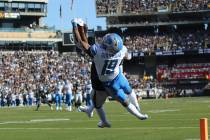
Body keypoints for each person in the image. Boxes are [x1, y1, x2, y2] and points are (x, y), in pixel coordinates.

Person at [72, 18, 148, 127]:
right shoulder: (121, 51)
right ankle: (138, 110)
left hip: (109, 83)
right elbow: (128, 56)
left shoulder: (98, 52)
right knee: (129, 91)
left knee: (120, 101)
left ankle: (103, 119)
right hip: (118, 76)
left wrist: (76, 26)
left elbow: (82, 42)